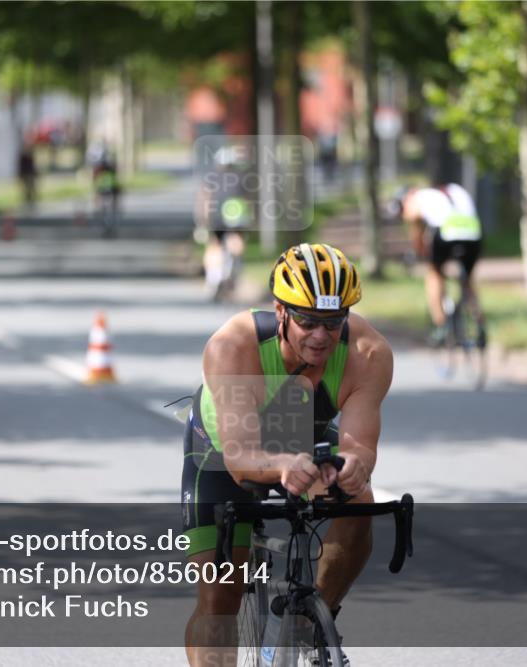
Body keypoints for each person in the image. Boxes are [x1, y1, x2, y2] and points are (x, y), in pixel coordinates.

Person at [181, 243, 394, 666]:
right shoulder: (233, 346)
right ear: (280, 311)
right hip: (224, 449)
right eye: (307, 320)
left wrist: (355, 466)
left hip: (303, 436)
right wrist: (280, 465)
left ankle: (314, 622)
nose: (321, 335)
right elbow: (242, 460)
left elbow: (359, 447)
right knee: (220, 595)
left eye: (333, 322)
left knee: (360, 501)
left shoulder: (368, 354)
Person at [398, 183, 484, 346]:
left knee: (434, 274)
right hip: (474, 235)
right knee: (467, 281)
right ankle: (480, 324)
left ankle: (441, 325)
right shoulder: (455, 189)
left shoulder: (416, 197)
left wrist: (419, 252)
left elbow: (415, 229)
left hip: (446, 234)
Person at [193, 146, 250, 301]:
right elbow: (248, 200)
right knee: (235, 241)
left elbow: (204, 200)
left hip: (216, 216)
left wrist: (202, 221)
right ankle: (233, 271)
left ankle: (213, 278)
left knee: (214, 245)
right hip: (236, 214)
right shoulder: (242, 177)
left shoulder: (211, 178)